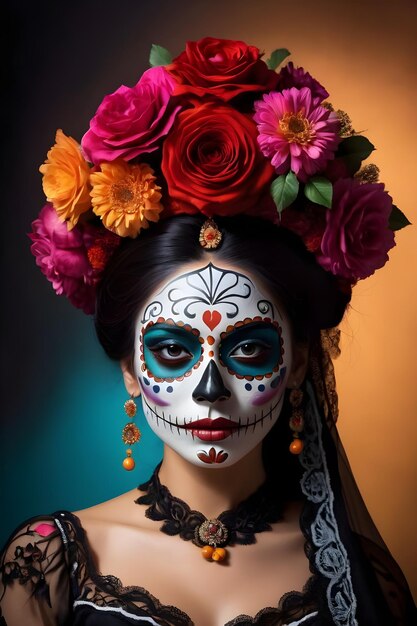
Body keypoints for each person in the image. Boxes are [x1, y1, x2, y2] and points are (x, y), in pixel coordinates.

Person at [0, 37, 415, 626]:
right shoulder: (48, 565)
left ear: (297, 361)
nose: (209, 389)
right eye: (172, 350)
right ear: (127, 367)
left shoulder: (363, 581)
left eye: (248, 348)